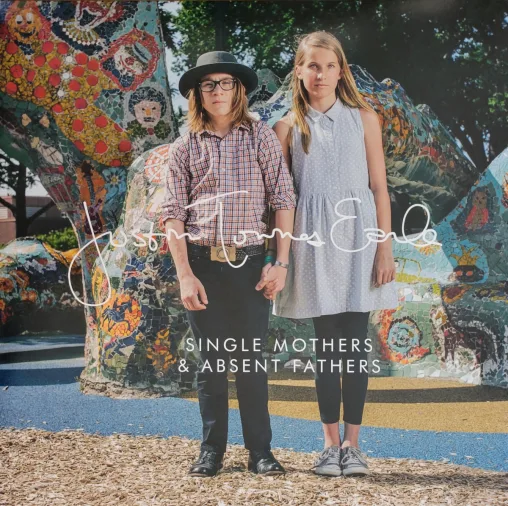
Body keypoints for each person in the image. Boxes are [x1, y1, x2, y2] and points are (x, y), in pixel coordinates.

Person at [264, 32, 399, 477]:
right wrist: (280, 258)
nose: (319, 74)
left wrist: (384, 247)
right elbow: (282, 200)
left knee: (355, 347)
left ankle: (355, 447)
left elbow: (379, 188)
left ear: (341, 71)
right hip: (314, 243)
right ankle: (328, 445)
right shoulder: (285, 127)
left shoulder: (364, 119)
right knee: (327, 350)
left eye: (327, 66)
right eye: (311, 66)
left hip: (360, 240)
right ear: (299, 72)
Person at [161, 51, 296, 478]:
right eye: (208, 85)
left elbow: (283, 201)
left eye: (225, 83)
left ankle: (261, 452)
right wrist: (185, 274)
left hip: (251, 265)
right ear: (197, 94)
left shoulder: (260, 138)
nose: (217, 91)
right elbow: (172, 214)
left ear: (238, 90)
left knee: (252, 364)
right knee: (212, 365)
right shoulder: (184, 146)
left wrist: (280, 262)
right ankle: (211, 450)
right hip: (202, 266)